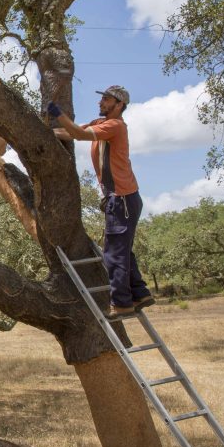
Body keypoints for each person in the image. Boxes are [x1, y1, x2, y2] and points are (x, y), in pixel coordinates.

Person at [49, 85, 155, 319]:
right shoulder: (100, 123)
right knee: (123, 250)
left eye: (107, 99)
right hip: (123, 199)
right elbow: (71, 133)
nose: (101, 102)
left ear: (119, 105)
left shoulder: (115, 126)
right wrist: (45, 131)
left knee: (114, 254)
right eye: (102, 98)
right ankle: (140, 293)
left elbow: (78, 134)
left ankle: (122, 303)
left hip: (121, 199)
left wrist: (57, 113)